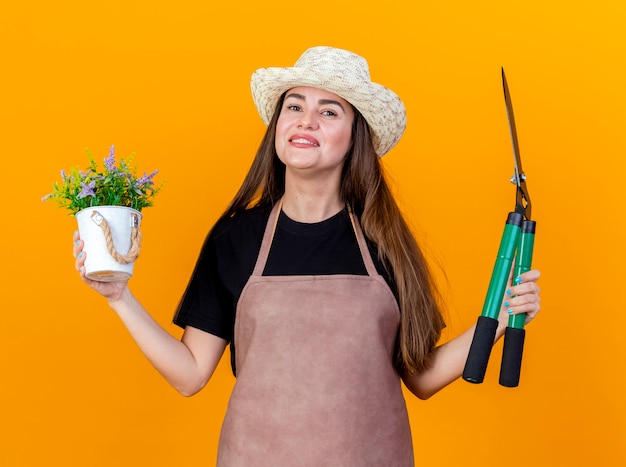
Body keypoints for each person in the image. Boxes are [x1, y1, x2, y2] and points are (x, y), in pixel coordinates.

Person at [73, 46, 541, 466]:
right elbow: (191, 374)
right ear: (278, 125)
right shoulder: (236, 238)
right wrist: (119, 296)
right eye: (294, 106)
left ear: (355, 136)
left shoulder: (385, 243)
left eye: (329, 111)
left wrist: (498, 318)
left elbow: (421, 378)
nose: (305, 120)